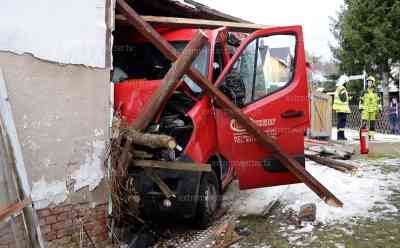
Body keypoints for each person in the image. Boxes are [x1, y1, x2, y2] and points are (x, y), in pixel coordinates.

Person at [359, 76, 382, 140]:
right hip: (365, 110)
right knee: (364, 124)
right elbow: (361, 101)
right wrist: (360, 108)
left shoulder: (376, 92)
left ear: (373, 83)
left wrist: (380, 109)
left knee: (372, 125)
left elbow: (379, 101)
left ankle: (370, 136)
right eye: (368, 82)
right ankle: (363, 137)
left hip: (373, 110)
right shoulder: (363, 92)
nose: (369, 83)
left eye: (370, 82)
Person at [333, 75, 351, 140]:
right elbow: (343, 98)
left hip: (339, 109)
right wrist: (347, 97)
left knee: (340, 122)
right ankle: (341, 136)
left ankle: (339, 136)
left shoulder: (338, 88)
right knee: (342, 123)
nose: (347, 84)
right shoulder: (342, 88)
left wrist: (348, 97)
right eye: (347, 83)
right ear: (344, 82)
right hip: (342, 109)